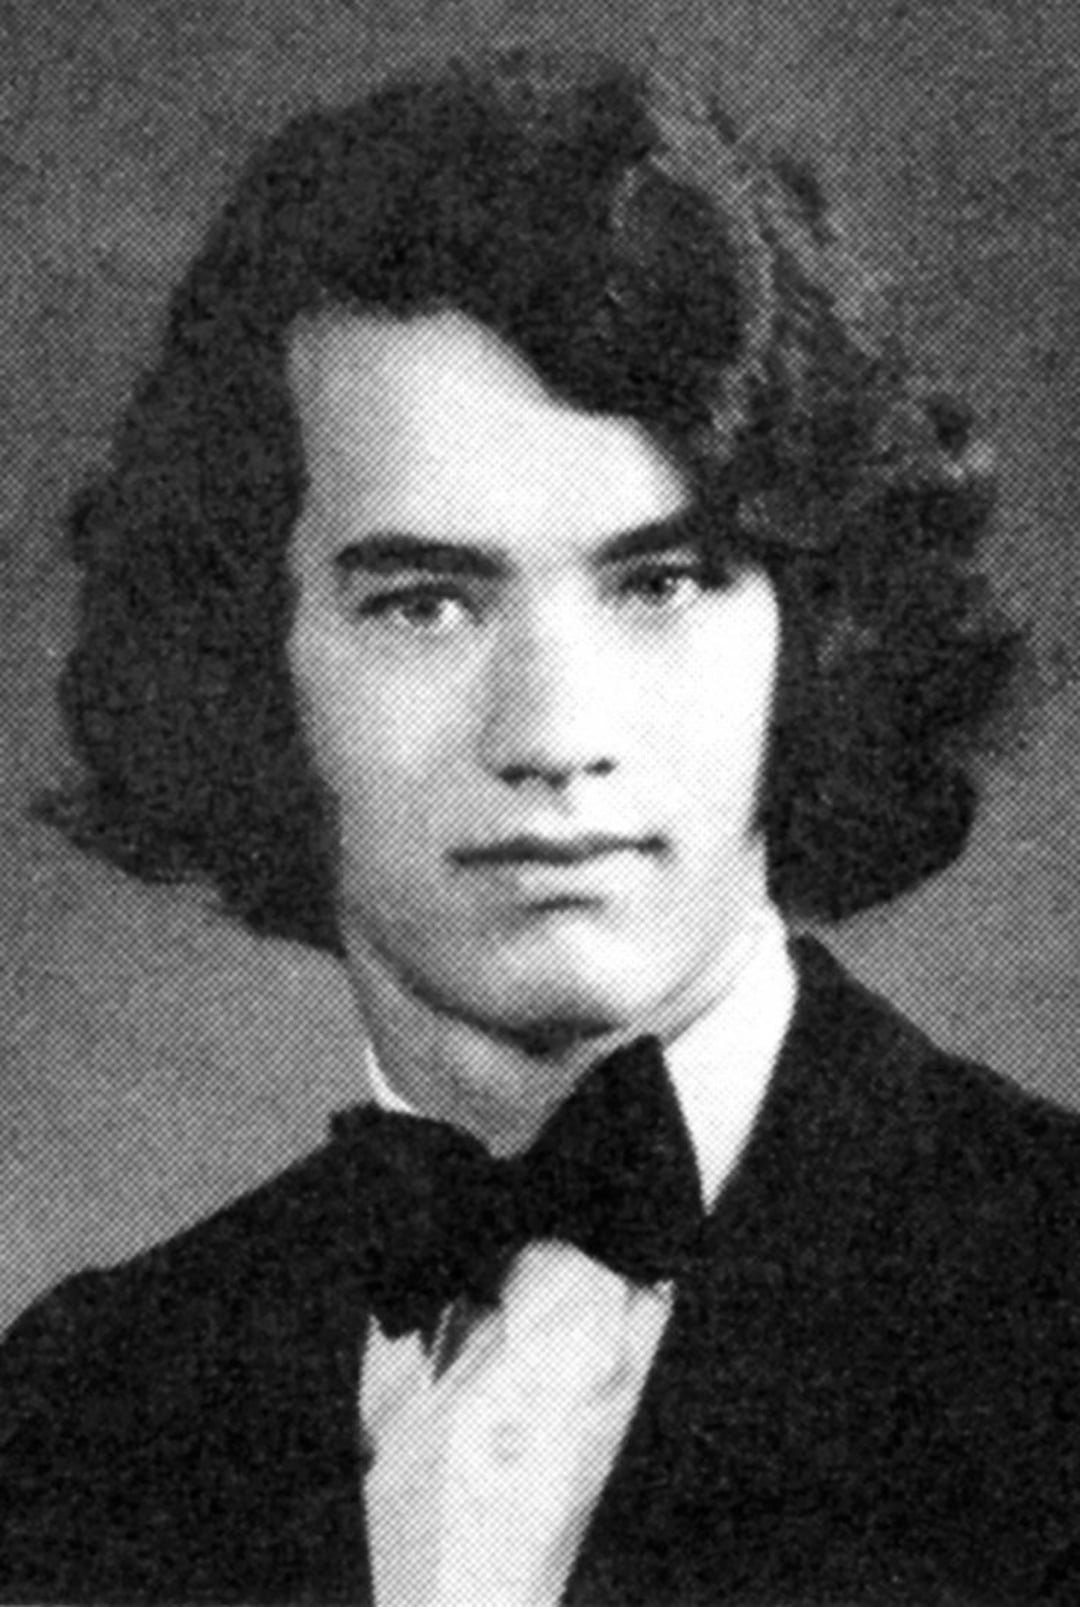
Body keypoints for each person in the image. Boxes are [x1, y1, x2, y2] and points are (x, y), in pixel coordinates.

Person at [2, 45, 1077, 1606]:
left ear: (821, 633)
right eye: (426, 602)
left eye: (662, 583)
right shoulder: (76, 1411)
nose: (556, 736)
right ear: (248, 660)